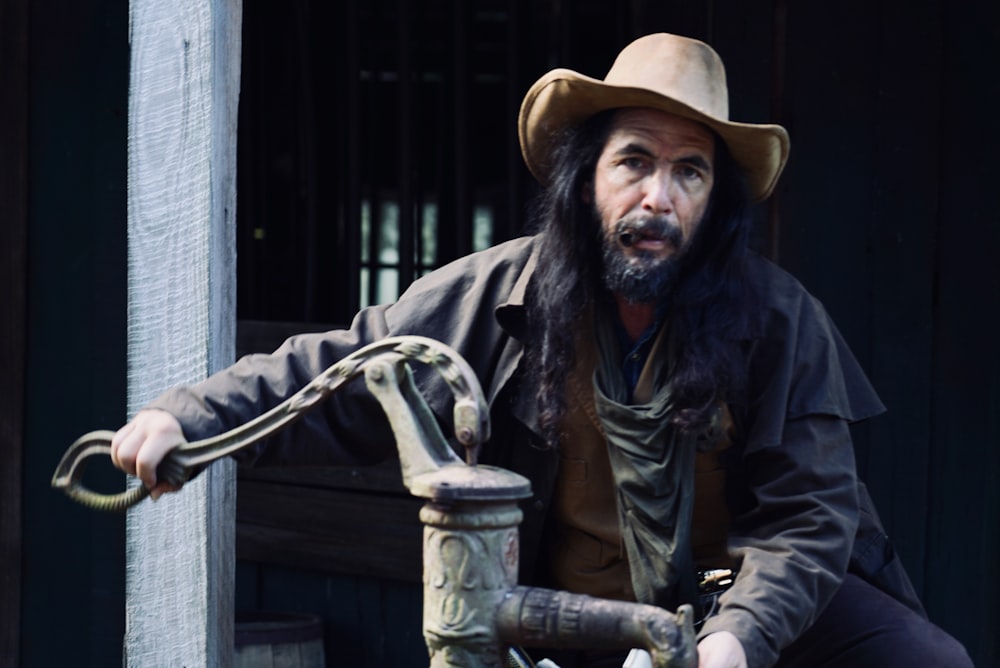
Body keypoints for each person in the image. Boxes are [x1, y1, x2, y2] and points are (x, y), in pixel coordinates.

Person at [111, 33, 972, 668]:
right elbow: (343, 371)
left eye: (690, 173)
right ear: (585, 175)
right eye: (633, 163)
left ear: (717, 202)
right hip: (574, 614)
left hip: (754, 615)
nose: (657, 198)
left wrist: (733, 642)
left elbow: (809, 517)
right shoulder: (500, 294)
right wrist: (184, 415)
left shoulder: (781, 320)